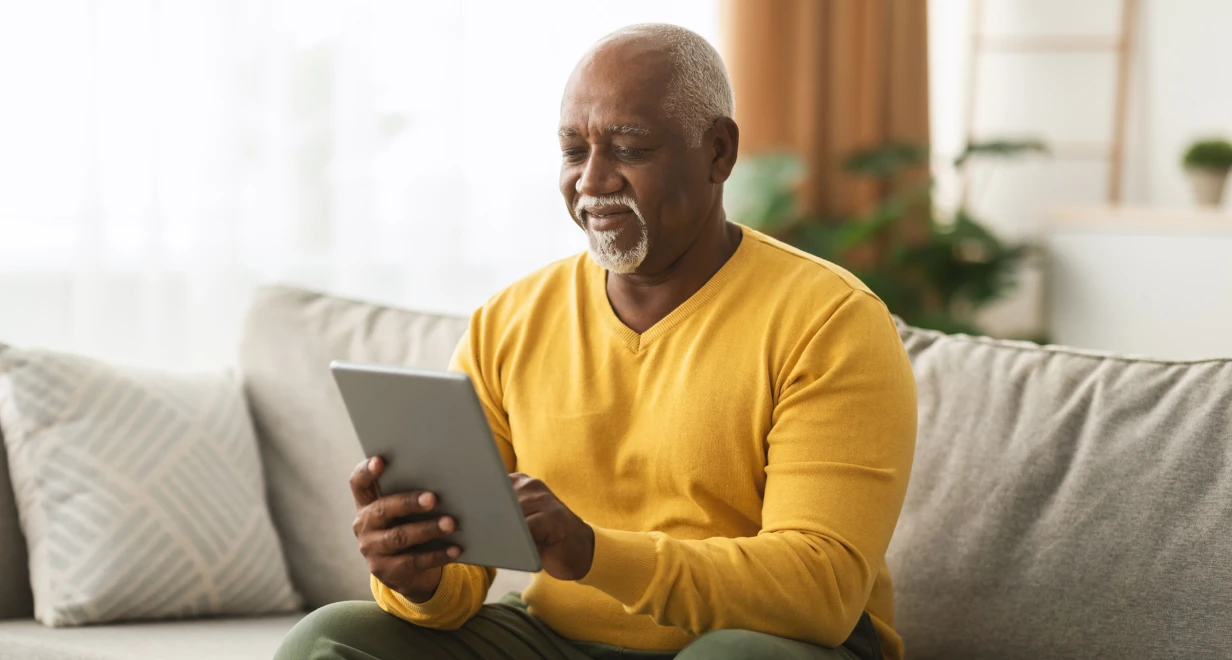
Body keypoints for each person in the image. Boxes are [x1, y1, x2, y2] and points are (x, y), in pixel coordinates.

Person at [276, 22, 916, 660]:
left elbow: (820, 593)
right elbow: (459, 581)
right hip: (559, 639)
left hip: (767, 644)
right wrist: (419, 576)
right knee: (329, 638)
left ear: (718, 151)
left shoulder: (829, 320)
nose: (590, 180)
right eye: (574, 150)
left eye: (630, 148)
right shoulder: (510, 320)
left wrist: (592, 552)